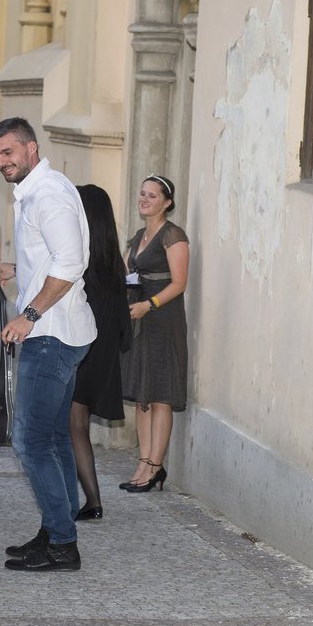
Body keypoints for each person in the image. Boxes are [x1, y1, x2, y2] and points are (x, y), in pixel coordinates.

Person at [0, 117, 96, 572]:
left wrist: (28, 315)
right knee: (52, 438)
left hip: (50, 336)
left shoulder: (46, 194)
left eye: (8, 152)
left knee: (29, 442)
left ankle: (62, 543)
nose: (1, 162)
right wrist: (21, 269)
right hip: (62, 332)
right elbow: (55, 256)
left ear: (31, 148)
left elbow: (71, 262)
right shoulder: (41, 188)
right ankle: (56, 530)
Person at [118, 174, 189, 493]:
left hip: (162, 319)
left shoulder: (174, 236)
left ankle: (155, 465)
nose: (144, 199)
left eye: (152, 195)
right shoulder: (137, 236)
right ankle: (143, 462)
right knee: (143, 398)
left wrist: (150, 304)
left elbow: (179, 283)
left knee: (160, 396)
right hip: (138, 319)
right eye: (142, 194)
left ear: (167, 202)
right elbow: (123, 272)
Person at [70, 184, 132, 520]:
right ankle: (90, 500)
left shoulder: (80, 261)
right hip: (102, 356)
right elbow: (124, 328)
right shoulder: (113, 266)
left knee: (71, 426)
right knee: (75, 426)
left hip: (79, 352)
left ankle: (91, 501)